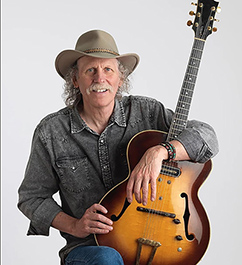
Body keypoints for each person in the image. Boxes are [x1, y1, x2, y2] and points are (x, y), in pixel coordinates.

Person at [18, 29, 219, 265]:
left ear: (120, 79)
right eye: (90, 70)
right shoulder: (51, 131)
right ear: (75, 80)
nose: (99, 78)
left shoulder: (148, 112)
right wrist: (74, 225)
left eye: (108, 70)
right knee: (107, 259)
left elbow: (207, 137)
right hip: (90, 248)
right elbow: (31, 197)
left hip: (162, 236)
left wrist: (161, 151)